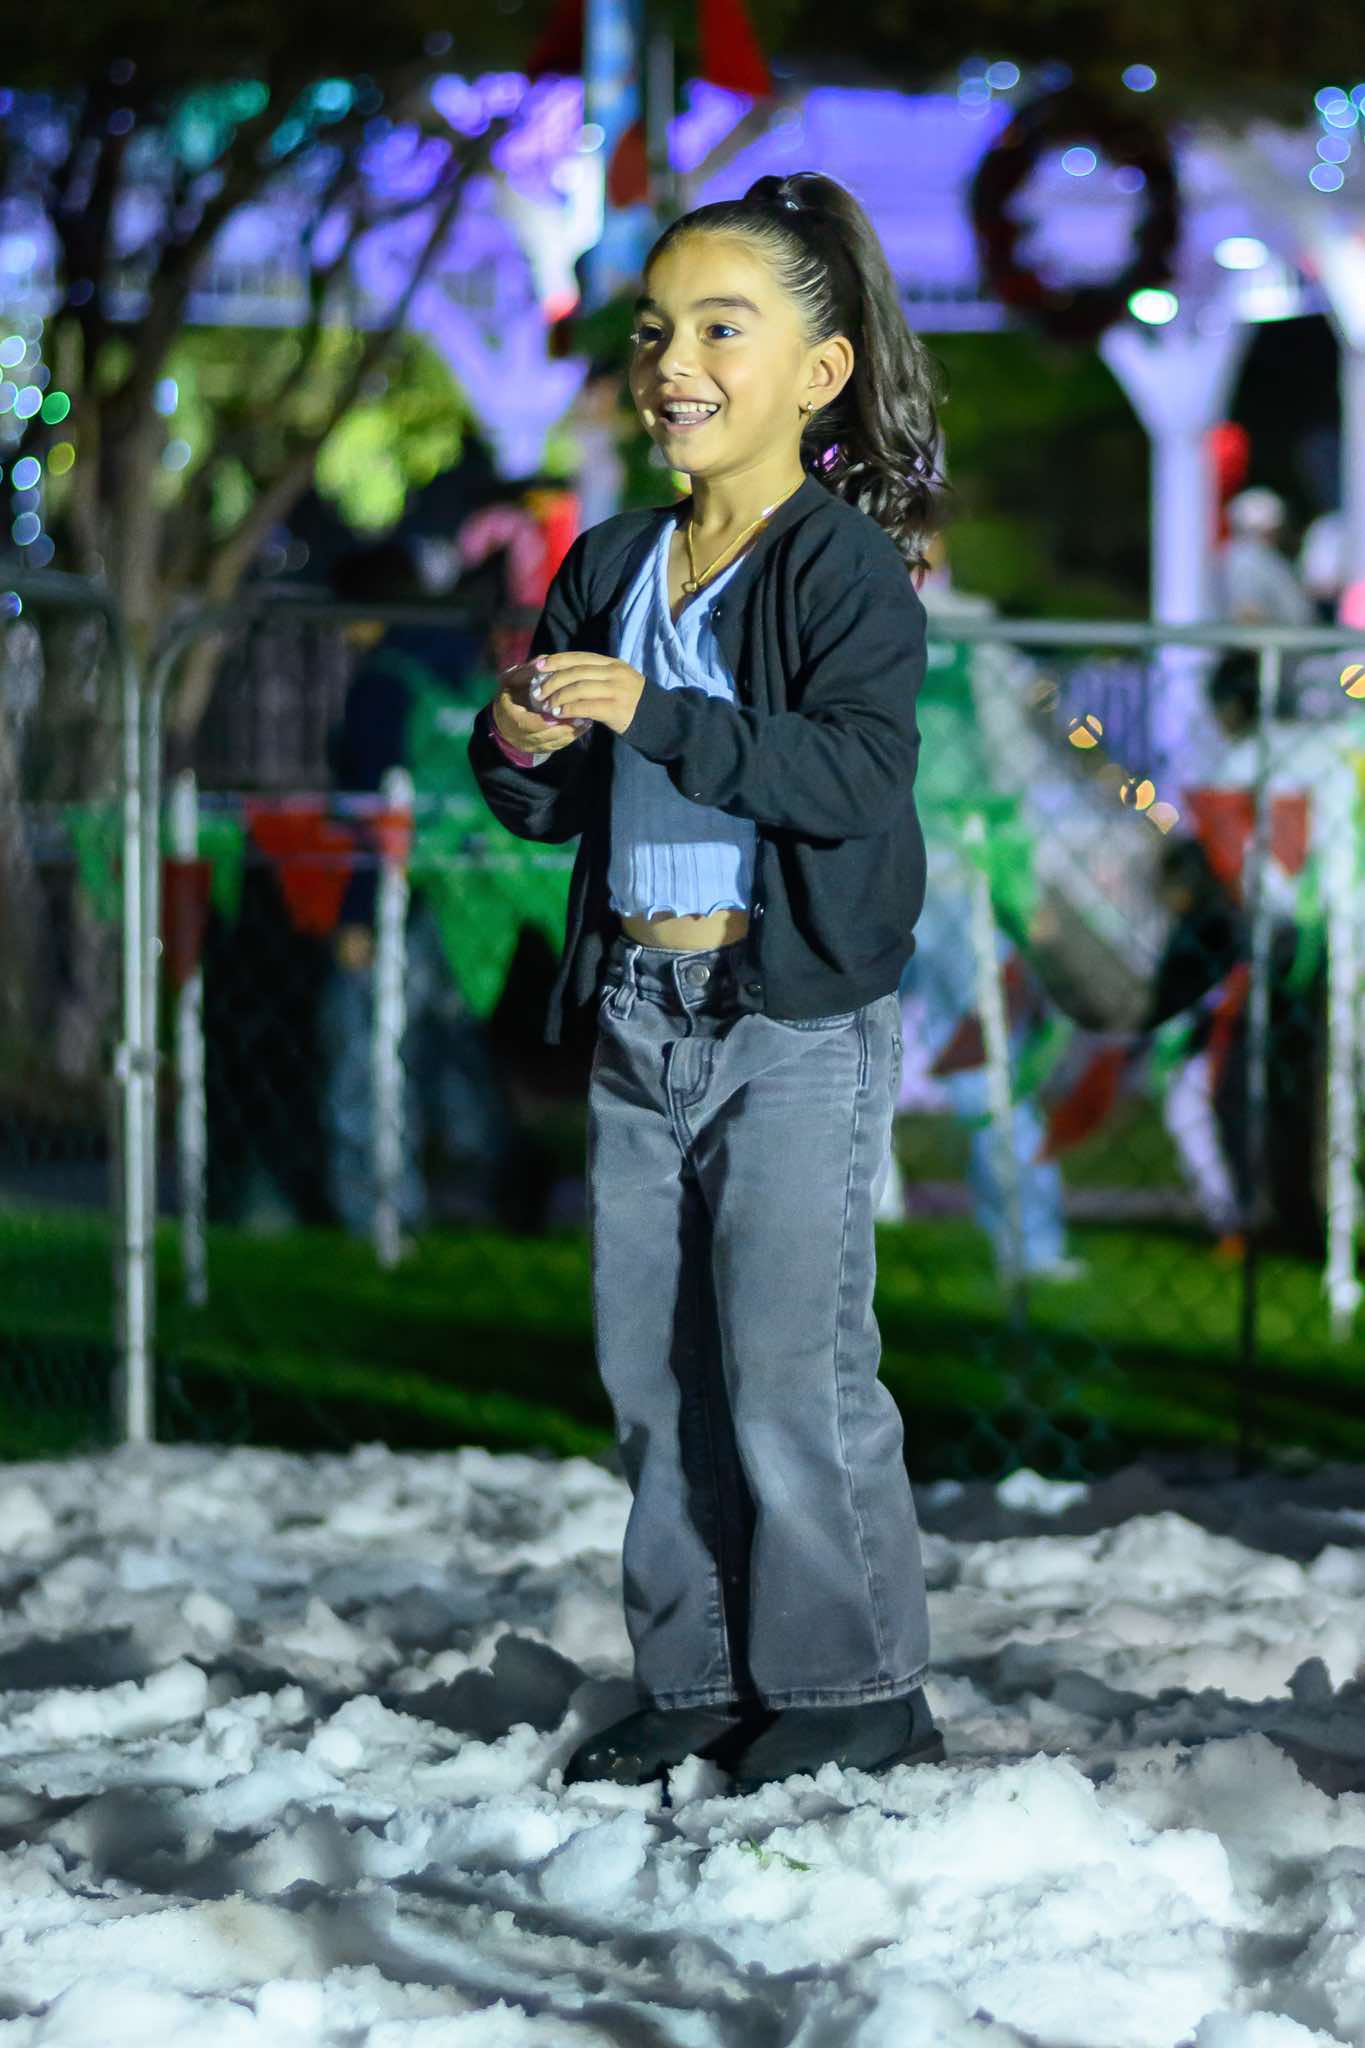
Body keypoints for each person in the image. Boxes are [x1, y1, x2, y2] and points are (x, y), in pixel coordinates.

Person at [467, 171, 947, 1792]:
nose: (673, 361)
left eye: (720, 329)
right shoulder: (612, 561)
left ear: (819, 372)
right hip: (639, 1013)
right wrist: (521, 742)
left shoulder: (841, 571)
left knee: (791, 1372)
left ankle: (849, 1688)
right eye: (655, 329)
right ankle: (698, 1675)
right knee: (653, 1374)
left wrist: (652, 716)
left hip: (786, 1020)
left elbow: (851, 778)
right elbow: (553, 801)